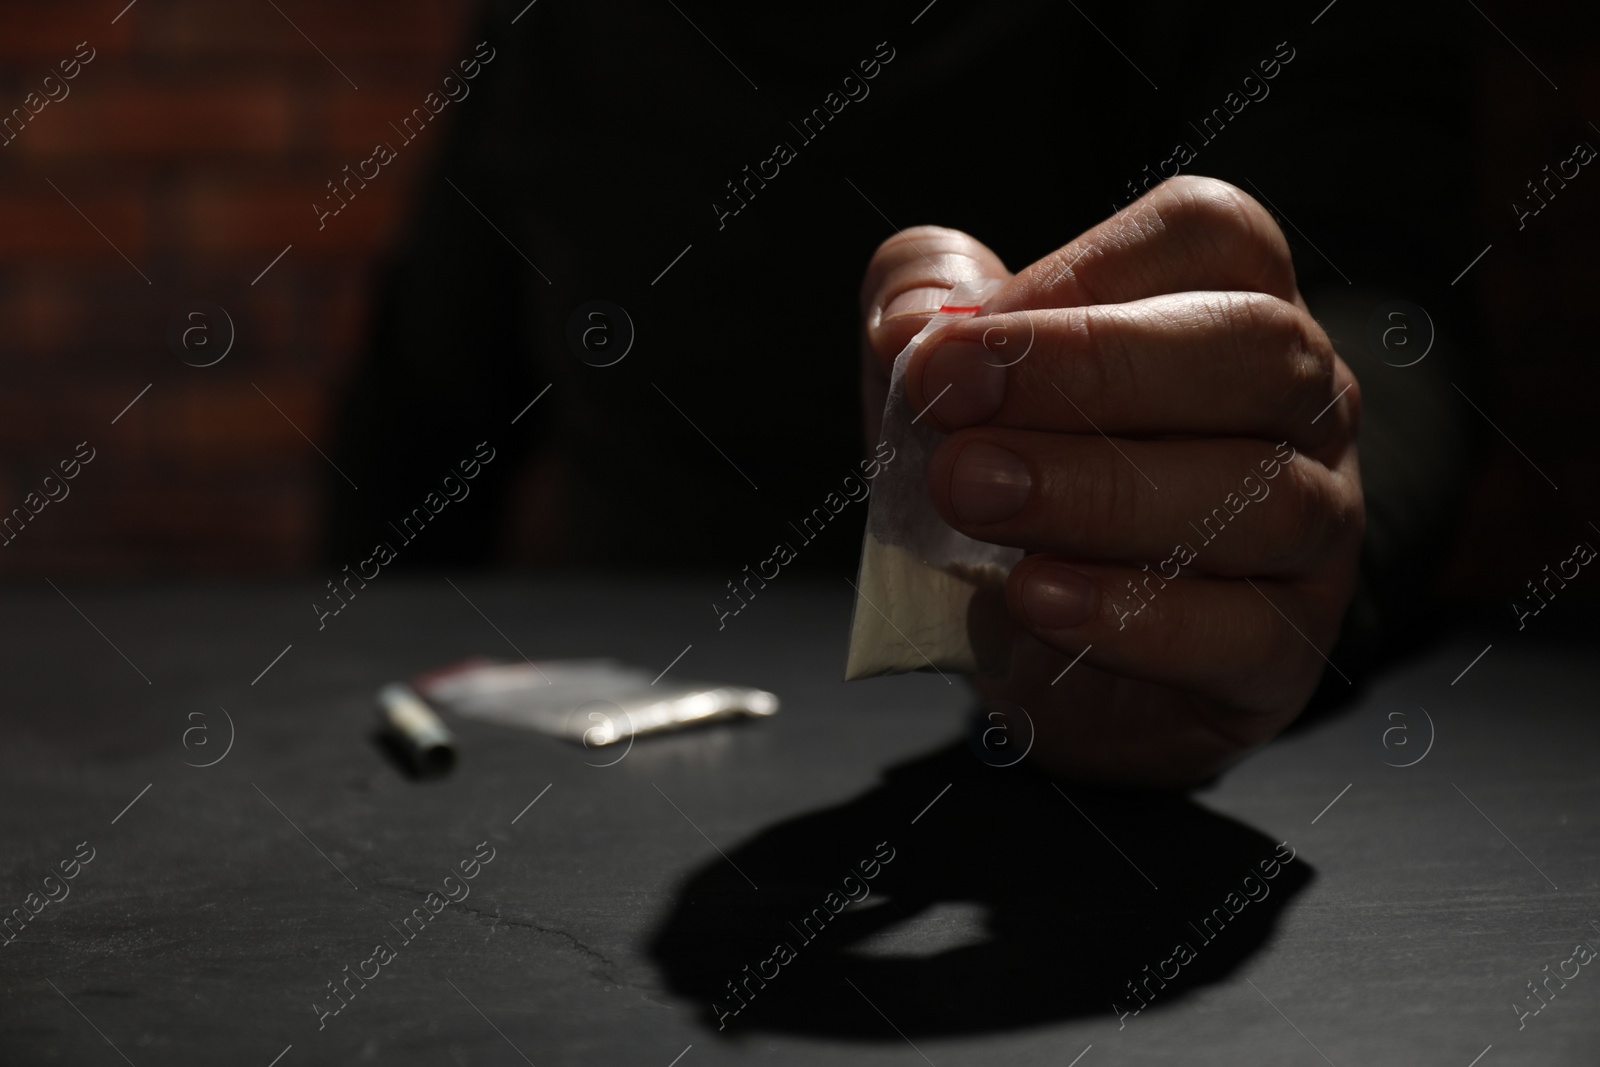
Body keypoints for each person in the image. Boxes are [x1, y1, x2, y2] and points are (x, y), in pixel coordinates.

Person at [328, 0, 1484, 783]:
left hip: (1117, 774)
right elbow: (421, 411)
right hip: (611, 770)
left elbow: (1377, 320)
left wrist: (1287, 521)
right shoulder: (563, 31)